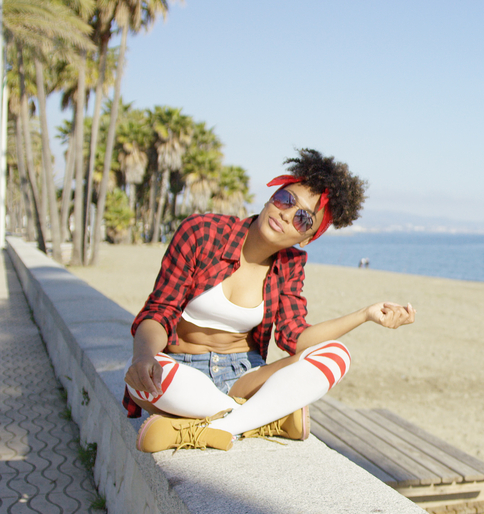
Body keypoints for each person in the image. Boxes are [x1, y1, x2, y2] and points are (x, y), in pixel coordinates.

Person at [124, 148, 415, 453]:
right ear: (272, 196)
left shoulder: (291, 264)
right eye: (286, 200)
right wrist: (143, 358)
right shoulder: (202, 232)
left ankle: (218, 428)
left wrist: (365, 315)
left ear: (306, 238)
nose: (287, 215)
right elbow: (161, 311)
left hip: (243, 377)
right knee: (141, 381)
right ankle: (258, 419)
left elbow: (295, 337)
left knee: (337, 355)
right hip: (181, 370)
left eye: (303, 218)